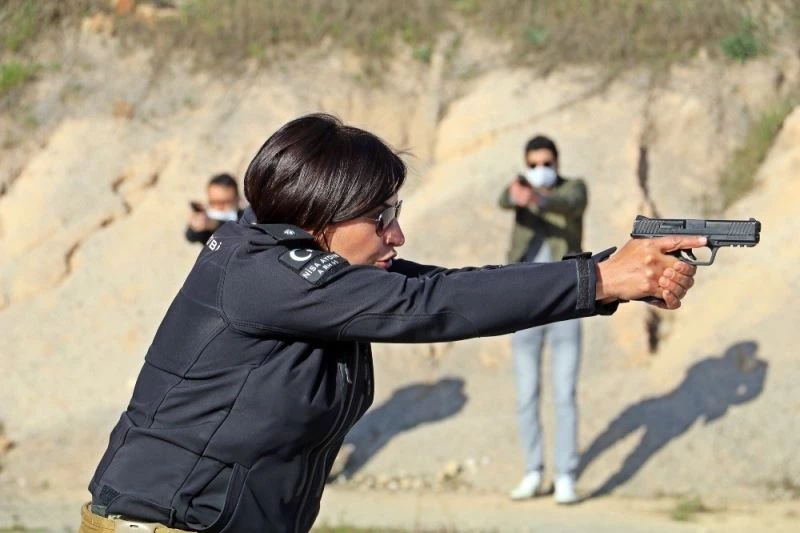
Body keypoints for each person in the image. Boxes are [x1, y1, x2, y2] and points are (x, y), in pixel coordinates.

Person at [81, 114, 703, 533]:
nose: (396, 233)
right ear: (321, 214)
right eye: (380, 216)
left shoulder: (301, 275)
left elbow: (443, 287)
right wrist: (600, 281)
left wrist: (610, 269)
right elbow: (426, 306)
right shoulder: (258, 269)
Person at [498, 135, 587, 504]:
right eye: (532, 164)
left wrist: (538, 199)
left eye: (545, 162)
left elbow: (569, 205)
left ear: (557, 161)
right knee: (526, 394)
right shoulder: (520, 188)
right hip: (525, 301)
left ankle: (565, 474)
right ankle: (533, 471)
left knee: (564, 394)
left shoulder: (573, 189)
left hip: (568, 299)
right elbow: (504, 199)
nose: (540, 170)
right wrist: (517, 195)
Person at [185, 173, 243, 244]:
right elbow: (191, 236)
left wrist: (214, 224)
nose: (219, 207)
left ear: (237, 199)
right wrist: (195, 223)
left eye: (225, 202)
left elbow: (239, 233)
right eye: (213, 202)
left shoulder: (248, 217)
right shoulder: (207, 222)